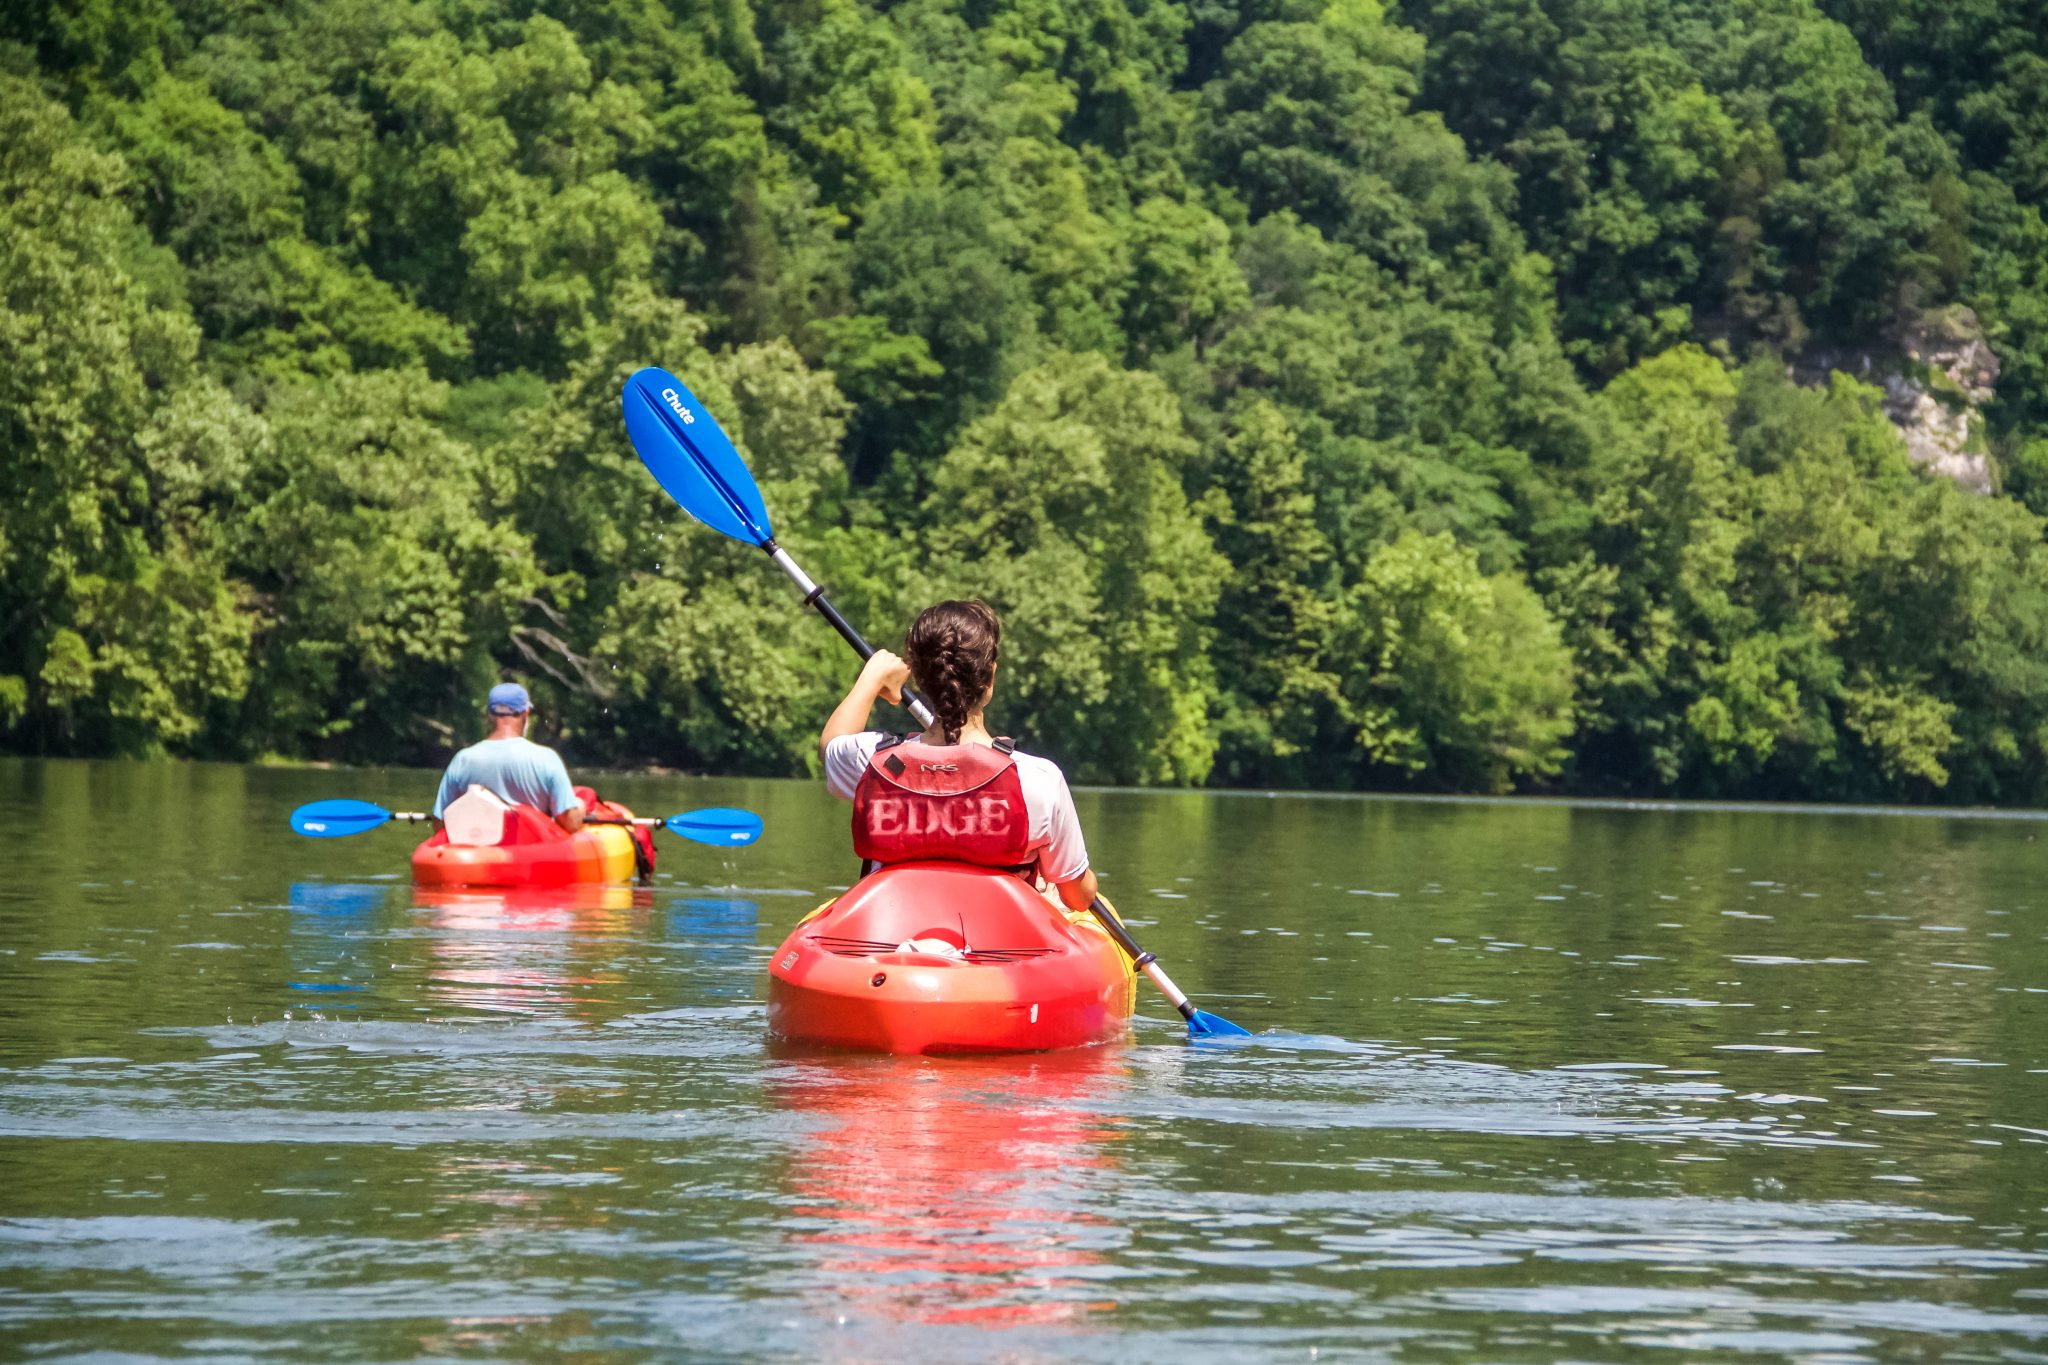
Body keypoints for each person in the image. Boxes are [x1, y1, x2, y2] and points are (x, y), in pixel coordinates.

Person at [819, 599, 1099, 910]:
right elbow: (1078, 896)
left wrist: (871, 678)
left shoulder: (875, 762)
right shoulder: (1036, 779)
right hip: (998, 944)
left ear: (920, 679)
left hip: (893, 937)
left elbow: (832, 743)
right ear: (989, 678)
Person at [433, 683, 585, 833]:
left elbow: (439, 823)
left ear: (490, 714)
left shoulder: (462, 760)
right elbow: (570, 823)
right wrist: (581, 807)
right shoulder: (547, 759)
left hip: (479, 851)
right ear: (526, 712)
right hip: (530, 851)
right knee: (579, 802)